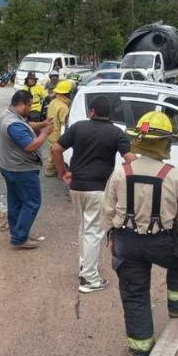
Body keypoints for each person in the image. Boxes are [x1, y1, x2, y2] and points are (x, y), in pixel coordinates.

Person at [102, 111, 178, 356]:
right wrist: (171, 232)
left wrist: (112, 237)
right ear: (166, 142)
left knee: (134, 294)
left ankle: (141, 350)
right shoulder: (176, 176)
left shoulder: (120, 173)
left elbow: (108, 212)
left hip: (126, 243)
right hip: (162, 242)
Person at [50, 95, 136, 293]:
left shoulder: (79, 127)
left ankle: (85, 265)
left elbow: (55, 148)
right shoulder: (117, 133)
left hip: (76, 187)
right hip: (98, 189)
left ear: (92, 112)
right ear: (109, 114)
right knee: (94, 231)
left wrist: (63, 172)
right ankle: (89, 279)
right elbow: (129, 159)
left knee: (84, 227)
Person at [0, 90, 54, 249]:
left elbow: (27, 126)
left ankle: (17, 232)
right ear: (21, 104)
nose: (30, 108)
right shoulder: (14, 124)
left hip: (10, 166)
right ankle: (20, 238)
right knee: (32, 202)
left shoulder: (9, 115)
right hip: (21, 169)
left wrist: (42, 124)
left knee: (16, 201)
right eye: (28, 105)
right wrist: (45, 133)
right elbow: (30, 146)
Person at [45, 79, 73, 177]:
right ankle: (56, 171)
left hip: (51, 132)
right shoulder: (63, 107)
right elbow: (64, 124)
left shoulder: (54, 102)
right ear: (67, 94)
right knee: (57, 153)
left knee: (52, 152)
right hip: (57, 135)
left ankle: (51, 169)